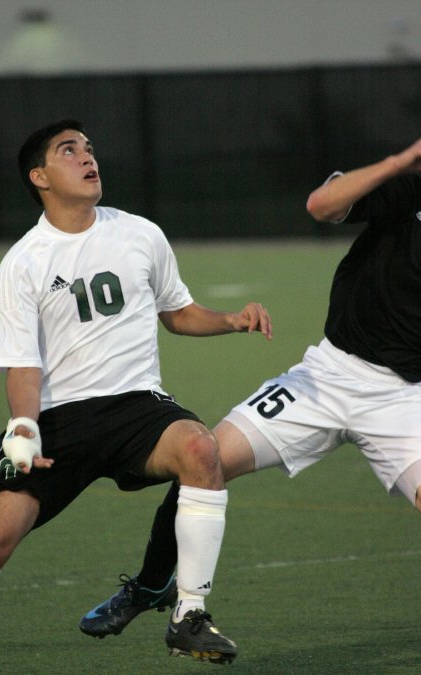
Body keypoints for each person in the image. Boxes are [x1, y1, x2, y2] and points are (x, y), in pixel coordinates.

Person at [80, 137, 421, 641]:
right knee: (206, 458)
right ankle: (152, 587)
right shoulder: (409, 189)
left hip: (403, 399)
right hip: (327, 375)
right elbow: (321, 205)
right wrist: (400, 162)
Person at [0, 119, 272, 665]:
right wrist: (22, 427)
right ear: (39, 176)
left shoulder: (140, 233)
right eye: (69, 151)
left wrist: (231, 318)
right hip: (60, 419)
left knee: (201, 448)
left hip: (136, 406)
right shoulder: (24, 260)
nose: (88, 158)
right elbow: (22, 363)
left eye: (89, 148)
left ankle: (189, 616)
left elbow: (176, 313)